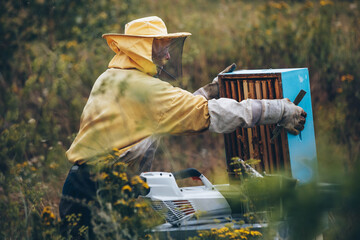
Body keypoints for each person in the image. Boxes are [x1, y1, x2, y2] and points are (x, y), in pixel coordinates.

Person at [59, 16, 306, 238]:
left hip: (78, 186)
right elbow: (205, 115)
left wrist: (208, 92)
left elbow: (168, 113)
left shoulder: (111, 77)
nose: (167, 56)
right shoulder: (147, 89)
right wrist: (280, 110)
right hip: (101, 194)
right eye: (161, 48)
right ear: (142, 50)